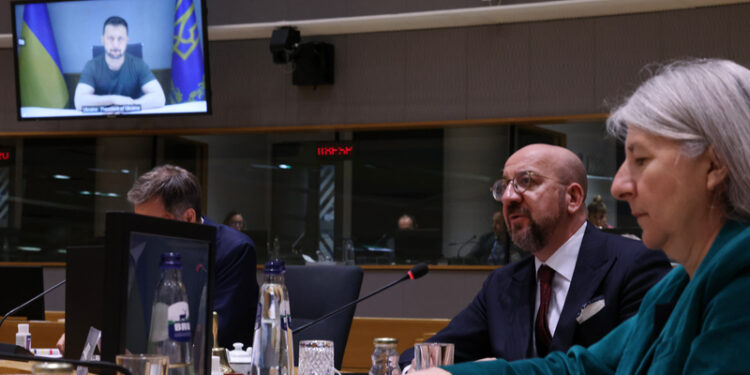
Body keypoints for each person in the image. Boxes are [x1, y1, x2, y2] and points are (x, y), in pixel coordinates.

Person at [415, 59, 750, 375]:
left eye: (642, 160)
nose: (619, 186)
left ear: (714, 165)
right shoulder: (677, 287)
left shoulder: (739, 273)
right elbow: (580, 367)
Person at [400, 144, 672, 369]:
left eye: (525, 182)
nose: (507, 197)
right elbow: (430, 353)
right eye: (504, 186)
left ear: (573, 198)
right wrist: (411, 370)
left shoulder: (635, 264)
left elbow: (631, 364)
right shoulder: (502, 284)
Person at [126, 165, 257, 349]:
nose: (143, 233)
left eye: (152, 224)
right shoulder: (147, 249)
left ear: (188, 218)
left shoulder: (234, 250)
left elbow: (217, 333)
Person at [74, 16, 165, 111]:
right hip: (101, 121)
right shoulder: (92, 66)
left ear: (127, 41)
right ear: (103, 40)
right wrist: (113, 100)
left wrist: (130, 104)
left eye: (120, 39)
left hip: (133, 121)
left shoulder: (138, 65)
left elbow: (159, 98)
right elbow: (79, 101)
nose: (115, 45)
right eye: (110, 38)